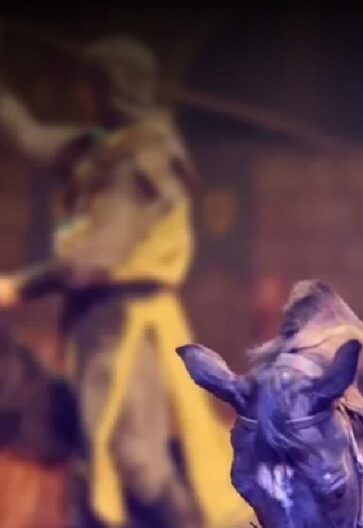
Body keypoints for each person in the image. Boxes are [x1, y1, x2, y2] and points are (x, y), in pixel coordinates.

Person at [0, 36, 250, 527]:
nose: (80, 97)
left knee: (137, 461)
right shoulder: (104, 146)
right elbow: (30, 137)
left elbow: (95, 256)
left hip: (131, 326)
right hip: (94, 322)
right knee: (92, 453)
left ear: (112, 90)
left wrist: (18, 287)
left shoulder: (145, 158)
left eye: (90, 87)